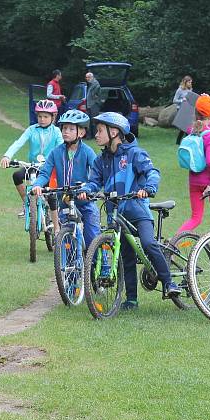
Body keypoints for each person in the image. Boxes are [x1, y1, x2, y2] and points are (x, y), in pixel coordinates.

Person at [79, 112, 181, 310]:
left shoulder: (134, 154)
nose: (96, 134)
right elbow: (93, 182)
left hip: (138, 211)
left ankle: (169, 282)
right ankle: (131, 299)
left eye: (100, 130)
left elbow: (152, 172)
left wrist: (149, 188)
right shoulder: (101, 161)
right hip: (116, 214)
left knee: (148, 243)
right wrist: (86, 191)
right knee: (125, 256)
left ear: (114, 132)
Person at [31, 110, 100, 248]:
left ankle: (100, 264)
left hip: (84, 200)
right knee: (66, 242)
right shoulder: (56, 152)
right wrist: (37, 185)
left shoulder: (87, 152)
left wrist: (90, 188)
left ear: (81, 133)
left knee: (92, 236)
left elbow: (97, 173)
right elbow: (45, 173)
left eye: (71, 129)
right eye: (64, 128)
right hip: (65, 201)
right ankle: (69, 267)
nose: (66, 131)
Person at [176, 94, 210, 250]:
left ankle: (172, 244)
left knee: (195, 218)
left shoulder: (191, 130)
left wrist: (199, 99)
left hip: (194, 182)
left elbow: (186, 113)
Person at [0, 99, 63, 217]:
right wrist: (7, 156)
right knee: (17, 175)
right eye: (40, 116)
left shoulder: (56, 131)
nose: (42, 119)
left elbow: (61, 147)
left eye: (45, 116)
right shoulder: (32, 129)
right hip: (33, 166)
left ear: (53, 117)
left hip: (48, 168)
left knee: (50, 194)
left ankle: (54, 219)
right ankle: (27, 204)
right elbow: (19, 142)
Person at [173, 76, 193, 144]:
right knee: (184, 127)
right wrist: (182, 100)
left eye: (191, 82)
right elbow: (174, 100)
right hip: (180, 109)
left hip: (188, 109)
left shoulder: (190, 89)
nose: (190, 83)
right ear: (185, 82)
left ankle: (183, 141)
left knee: (187, 126)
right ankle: (179, 141)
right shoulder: (180, 90)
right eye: (189, 82)